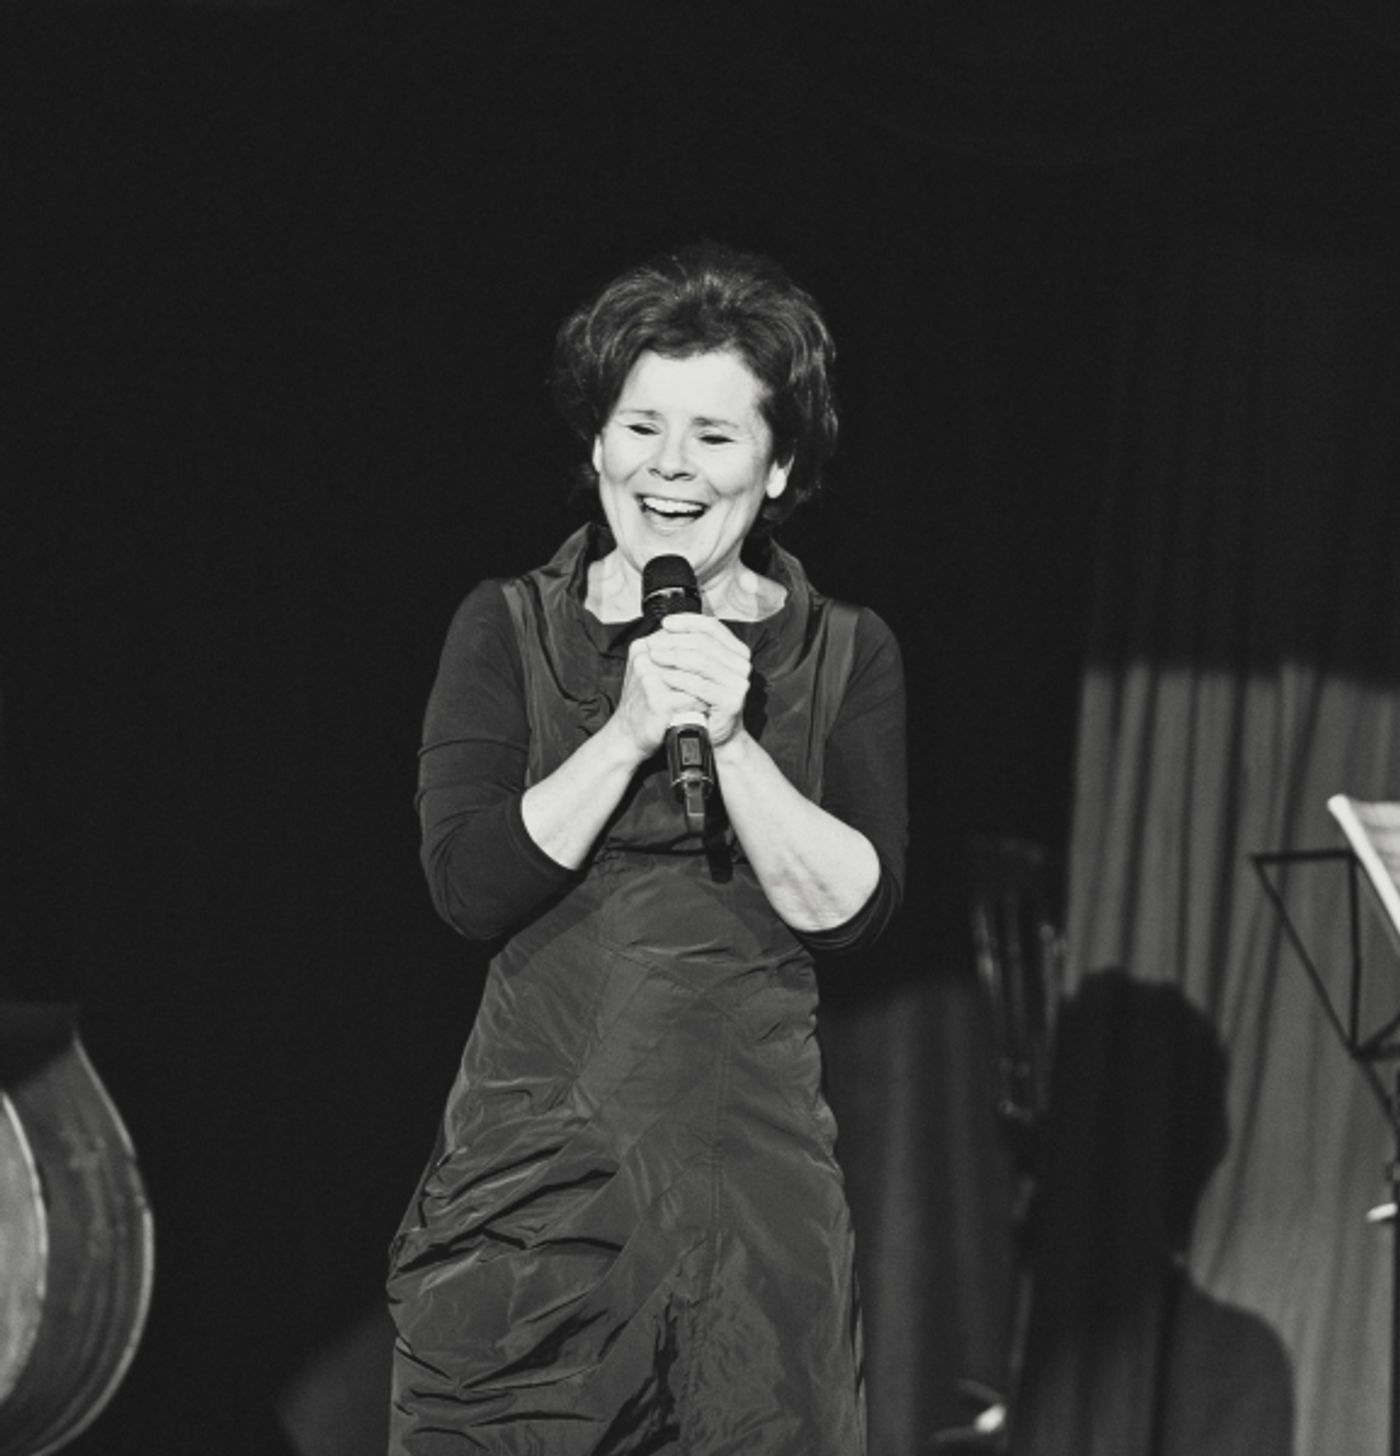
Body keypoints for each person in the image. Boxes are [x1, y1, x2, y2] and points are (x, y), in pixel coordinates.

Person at [387, 242, 908, 1455]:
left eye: (715, 436)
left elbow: (853, 907)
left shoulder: (846, 653)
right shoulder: (506, 626)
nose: (669, 466)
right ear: (596, 448)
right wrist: (626, 728)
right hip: (538, 1193)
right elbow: (468, 885)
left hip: (752, 1203)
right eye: (641, 426)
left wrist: (728, 738)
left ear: (777, 468)